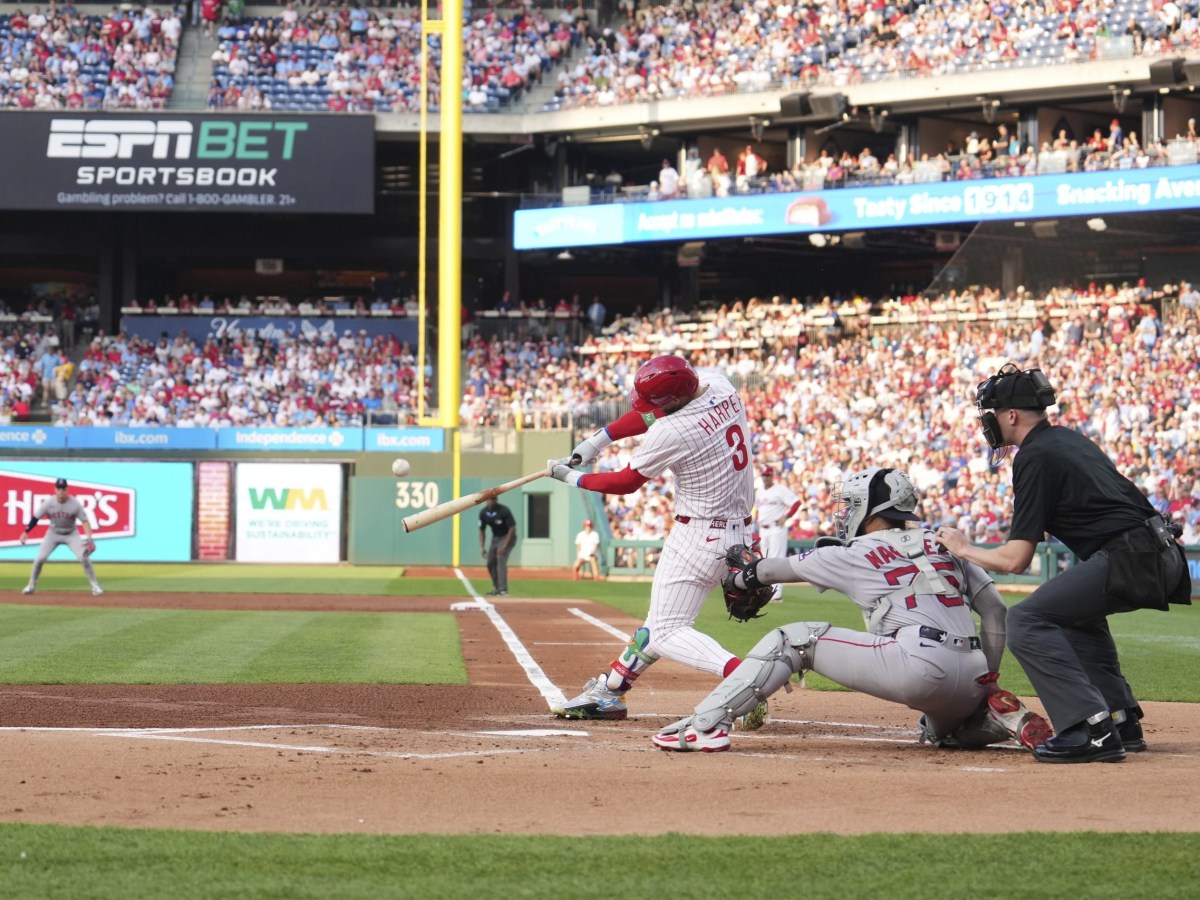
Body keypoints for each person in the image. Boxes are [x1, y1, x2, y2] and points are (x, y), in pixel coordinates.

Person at [652, 467, 1053, 753]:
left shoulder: (853, 551)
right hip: (973, 670)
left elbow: (775, 569)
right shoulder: (942, 542)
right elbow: (996, 612)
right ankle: (1004, 718)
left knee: (792, 639)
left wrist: (741, 579)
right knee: (942, 734)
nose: (845, 512)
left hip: (918, 664)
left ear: (872, 509)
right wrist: (988, 682)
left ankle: (705, 725)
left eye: (851, 504)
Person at [937, 364, 1191, 764]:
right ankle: (1121, 720)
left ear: (1012, 415)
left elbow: (1016, 559)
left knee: (1026, 620)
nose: (988, 422)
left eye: (991, 414)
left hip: (1132, 556)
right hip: (1161, 553)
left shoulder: (1034, 456)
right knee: (1072, 617)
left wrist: (964, 548)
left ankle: (1089, 729)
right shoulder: (1070, 441)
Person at [548, 355, 757, 720]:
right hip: (740, 531)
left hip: (699, 534)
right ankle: (611, 690)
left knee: (666, 631)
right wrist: (598, 441)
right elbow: (652, 413)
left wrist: (570, 477)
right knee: (661, 618)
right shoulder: (720, 384)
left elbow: (627, 482)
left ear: (672, 401)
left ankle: (746, 678)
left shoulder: (672, 430)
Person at [19, 478, 104, 596]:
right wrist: (26, 531)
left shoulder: (74, 503)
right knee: (39, 559)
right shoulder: (49, 503)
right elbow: (35, 518)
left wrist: (89, 539)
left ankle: (95, 586)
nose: (61, 491)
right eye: (59, 488)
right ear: (55, 489)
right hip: (53, 533)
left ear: (67, 489)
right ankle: (31, 585)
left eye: (63, 488)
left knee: (83, 557)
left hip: (71, 533)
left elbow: (85, 521)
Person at [754, 466, 800, 603]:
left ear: (772, 476)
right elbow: (758, 508)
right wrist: (757, 519)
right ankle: (767, 591)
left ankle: (777, 594)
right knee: (765, 560)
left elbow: (796, 503)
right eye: (763, 475)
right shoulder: (760, 491)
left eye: (768, 475)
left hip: (776, 528)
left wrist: (786, 517)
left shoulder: (780, 489)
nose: (765, 478)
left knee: (777, 559)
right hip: (764, 529)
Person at [478, 496, 516, 596]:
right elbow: (482, 530)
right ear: (486, 500)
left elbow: (512, 529)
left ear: (496, 500)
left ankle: (503, 590)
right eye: (490, 499)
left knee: (500, 558)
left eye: (493, 499)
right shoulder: (483, 512)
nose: (491, 501)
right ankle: (497, 588)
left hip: (507, 537)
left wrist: (504, 546)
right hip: (496, 538)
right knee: (490, 563)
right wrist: (482, 547)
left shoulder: (504, 510)